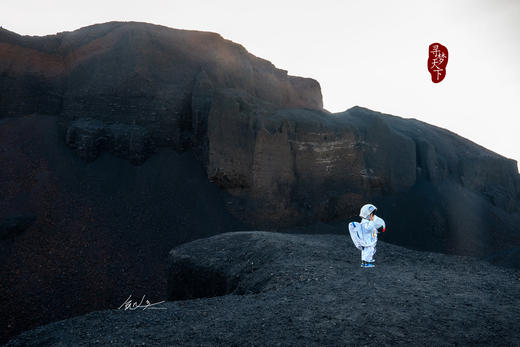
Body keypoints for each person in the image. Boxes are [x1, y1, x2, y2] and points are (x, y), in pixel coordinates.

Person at [348, 204, 386, 268]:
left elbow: (371, 229)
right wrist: (371, 221)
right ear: (367, 214)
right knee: (368, 250)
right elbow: (369, 228)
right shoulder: (365, 222)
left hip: (368, 240)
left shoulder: (365, 222)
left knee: (368, 250)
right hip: (367, 241)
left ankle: (367, 260)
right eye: (371, 214)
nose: (373, 215)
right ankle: (366, 262)